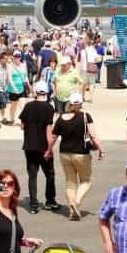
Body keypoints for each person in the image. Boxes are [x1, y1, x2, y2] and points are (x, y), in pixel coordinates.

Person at [48, 92, 104, 221]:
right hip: (81, 153)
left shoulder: (61, 118)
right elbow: (93, 135)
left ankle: (72, 211)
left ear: (69, 103)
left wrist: (48, 150)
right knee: (86, 180)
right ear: (81, 104)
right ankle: (76, 202)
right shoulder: (85, 116)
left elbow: (54, 137)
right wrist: (101, 149)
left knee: (70, 183)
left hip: (64, 153)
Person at [18, 81, 58, 214]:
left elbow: (22, 124)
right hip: (42, 146)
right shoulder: (49, 108)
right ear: (46, 92)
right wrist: (49, 148)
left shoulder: (28, 106)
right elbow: (48, 130)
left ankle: (33, 205)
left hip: (29, 145)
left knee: (32, 175)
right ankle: (50, 201)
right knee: (50, 174)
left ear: (35, 92)